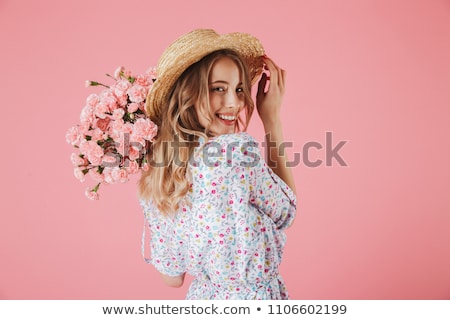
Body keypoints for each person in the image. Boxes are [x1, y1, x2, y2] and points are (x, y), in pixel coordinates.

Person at [139, 29, 297, 299]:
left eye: (238, 89)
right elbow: (286, 211)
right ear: (188, 93)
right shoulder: (234, 152)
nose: (234, 102)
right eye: (218, 89)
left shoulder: (161, 170)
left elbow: (172, 277)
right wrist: (272, 120)